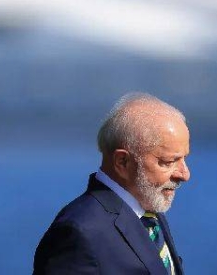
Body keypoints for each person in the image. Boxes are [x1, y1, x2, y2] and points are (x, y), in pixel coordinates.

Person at [33, 92, 191, 275]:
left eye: (184, 158)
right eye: (168, 162)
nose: (185, 174)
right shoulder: (81, 232)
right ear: (122, 162)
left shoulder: (149, 214)